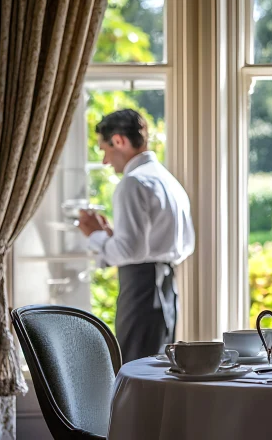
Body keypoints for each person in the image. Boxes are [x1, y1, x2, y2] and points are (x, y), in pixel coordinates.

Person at [78, 109, 195, 363]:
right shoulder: (168, 180)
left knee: (134, 365)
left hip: (140, 289)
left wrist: (94, 235)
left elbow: (131, 251)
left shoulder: (133, 182)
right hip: (166, 288)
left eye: (103, 150)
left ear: (119, 141)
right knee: (159, 368)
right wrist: (112, 235)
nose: (106, 161)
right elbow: (174, 243)